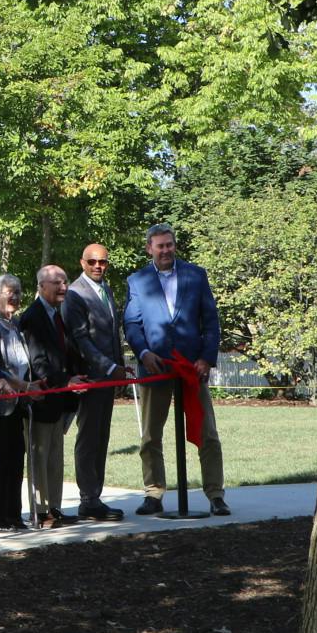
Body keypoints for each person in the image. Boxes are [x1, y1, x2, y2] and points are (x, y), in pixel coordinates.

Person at [122, 223, 229, 514]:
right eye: (160, 246)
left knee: (207, 432)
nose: (166, 250)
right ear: (149, 248)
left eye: (170, 244)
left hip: (192, 369)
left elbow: (210, 321)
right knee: (150, 436)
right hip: (155, 368)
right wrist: (143, 353)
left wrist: (206, 358)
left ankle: (215, 495)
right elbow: (131, 324)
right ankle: (153, 494)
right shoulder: (137, 280)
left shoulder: (196, 275)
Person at [62, 243, 130, 523]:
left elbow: (113, 333)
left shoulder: (106, 289)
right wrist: (110, 367)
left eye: (103, 262)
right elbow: (81, 341)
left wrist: (119, 366)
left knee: (102, 436)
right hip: (90, 377)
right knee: (89, 437)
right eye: (92, 262)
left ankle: (96, 496)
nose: (98, 266)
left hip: (108, 379)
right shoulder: (75, 294)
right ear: (82, 263)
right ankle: (88, 499)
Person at [19, 265, 88, 528]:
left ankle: (54, 508)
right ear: (41, 286)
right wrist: (65, 381)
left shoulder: (56, 315)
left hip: (59, 401)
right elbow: (38, 363)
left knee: (55, 456)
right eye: (57, 283)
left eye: (65, 282)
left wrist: (78, 375)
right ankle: (39, 512)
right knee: (39, 455)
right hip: (41, 399)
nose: (64, 287)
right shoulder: (33, 317)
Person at [0, 275, 33, 534]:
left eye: (18, 292)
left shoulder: (16, 325)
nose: (15, 297)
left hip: (18, 405)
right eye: (10, 292)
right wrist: (24, 387)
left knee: (15, 459)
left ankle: (13, 514)